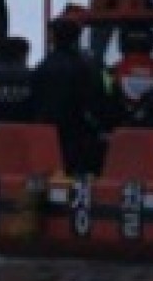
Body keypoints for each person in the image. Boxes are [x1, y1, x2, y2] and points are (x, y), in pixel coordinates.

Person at [31, 16, 120, 175]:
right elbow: (102, 99)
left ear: (53, 37)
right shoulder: (90, 67)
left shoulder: (42, 68)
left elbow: (34, 100)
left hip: (47, 135)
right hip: (80, 135)